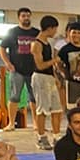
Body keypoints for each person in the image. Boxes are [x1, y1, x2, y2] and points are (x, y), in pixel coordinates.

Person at [0, 7, 39, 130]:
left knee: (34, 98)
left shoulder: (36, 33)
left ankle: (37, 124)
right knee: (14, 96)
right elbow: (2, 48)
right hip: (17, 70)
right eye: (23, 16)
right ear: (19, 17)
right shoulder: (12, 32)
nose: (26, 18)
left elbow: (43, 48)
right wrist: (8, 63)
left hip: (33, 70)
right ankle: (11, 123)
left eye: (28, 15)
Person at [29, 16, 64, 150]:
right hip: (40, 77)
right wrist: (55, 60)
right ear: (49, 28)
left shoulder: (47, 43)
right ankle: (41, 136)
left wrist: (55, 77)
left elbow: (48, 65)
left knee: (57, 108)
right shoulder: (37, 44)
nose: (55, 31)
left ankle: (56, 136)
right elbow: (40, 65)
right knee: (42, 109)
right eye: (55, 29)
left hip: (49, 77)